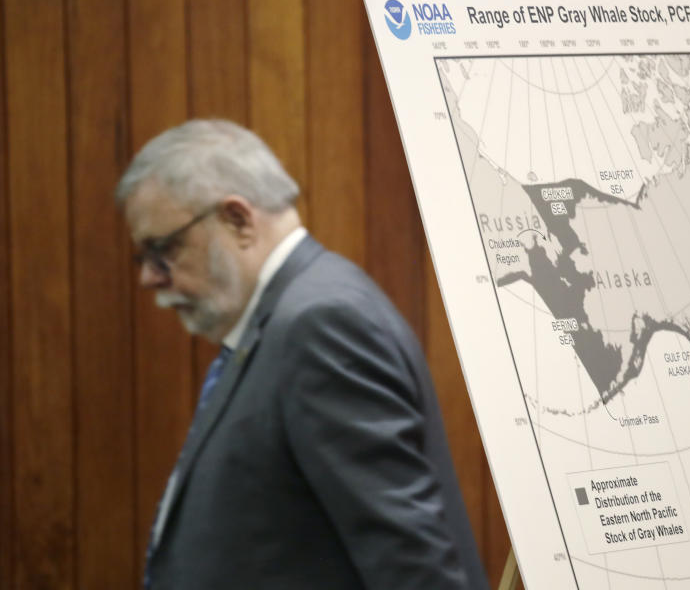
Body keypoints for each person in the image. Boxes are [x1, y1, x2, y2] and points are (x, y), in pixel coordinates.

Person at [117, 119, 488, 589]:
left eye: (162, 249)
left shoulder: (321, 323)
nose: (151, 277)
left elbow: (411, 561)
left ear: (237, 220)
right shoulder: (282, 319)